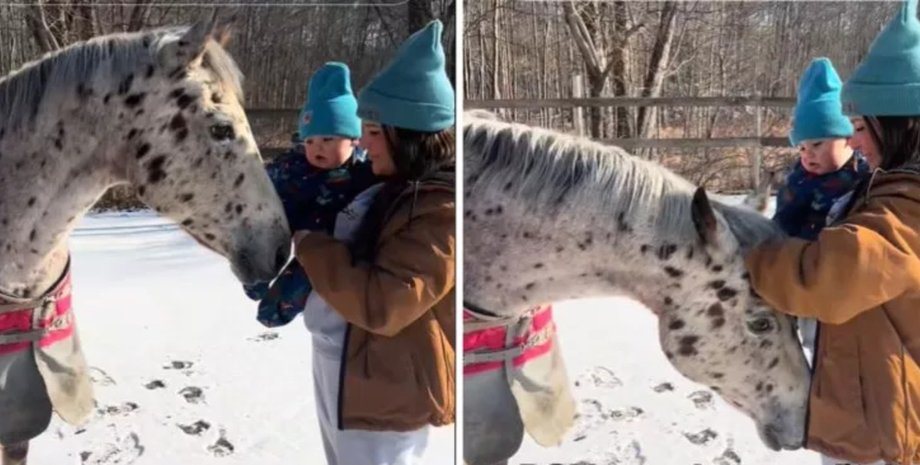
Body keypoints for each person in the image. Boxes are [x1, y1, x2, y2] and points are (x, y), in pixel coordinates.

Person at [745, 1, 920, 464]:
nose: (856, 140)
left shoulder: (910, 210)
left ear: (902, 124)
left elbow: (833, 276)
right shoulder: (890, 187)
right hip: (870, 405)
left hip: (889, 427)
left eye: (861, 126)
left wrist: (745, 251)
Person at [291, 20, 456, 465]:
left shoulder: (440, 212)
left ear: (412, 137)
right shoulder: (391, 185)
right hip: (348, 370)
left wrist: (309, 244)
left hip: (388, 395)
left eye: (376, 132)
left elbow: (384, 305)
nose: (363, 141)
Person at [242, 62, 376, 328]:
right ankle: (256, 281)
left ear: (354, 140)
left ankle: (277, 308)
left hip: (326, 245)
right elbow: (262, 188)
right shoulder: (293, 166)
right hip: (287, 223)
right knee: (258, 261)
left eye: (328, 140)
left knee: (284, 299)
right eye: (310, 141)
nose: (317, 148)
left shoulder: (363, 174)